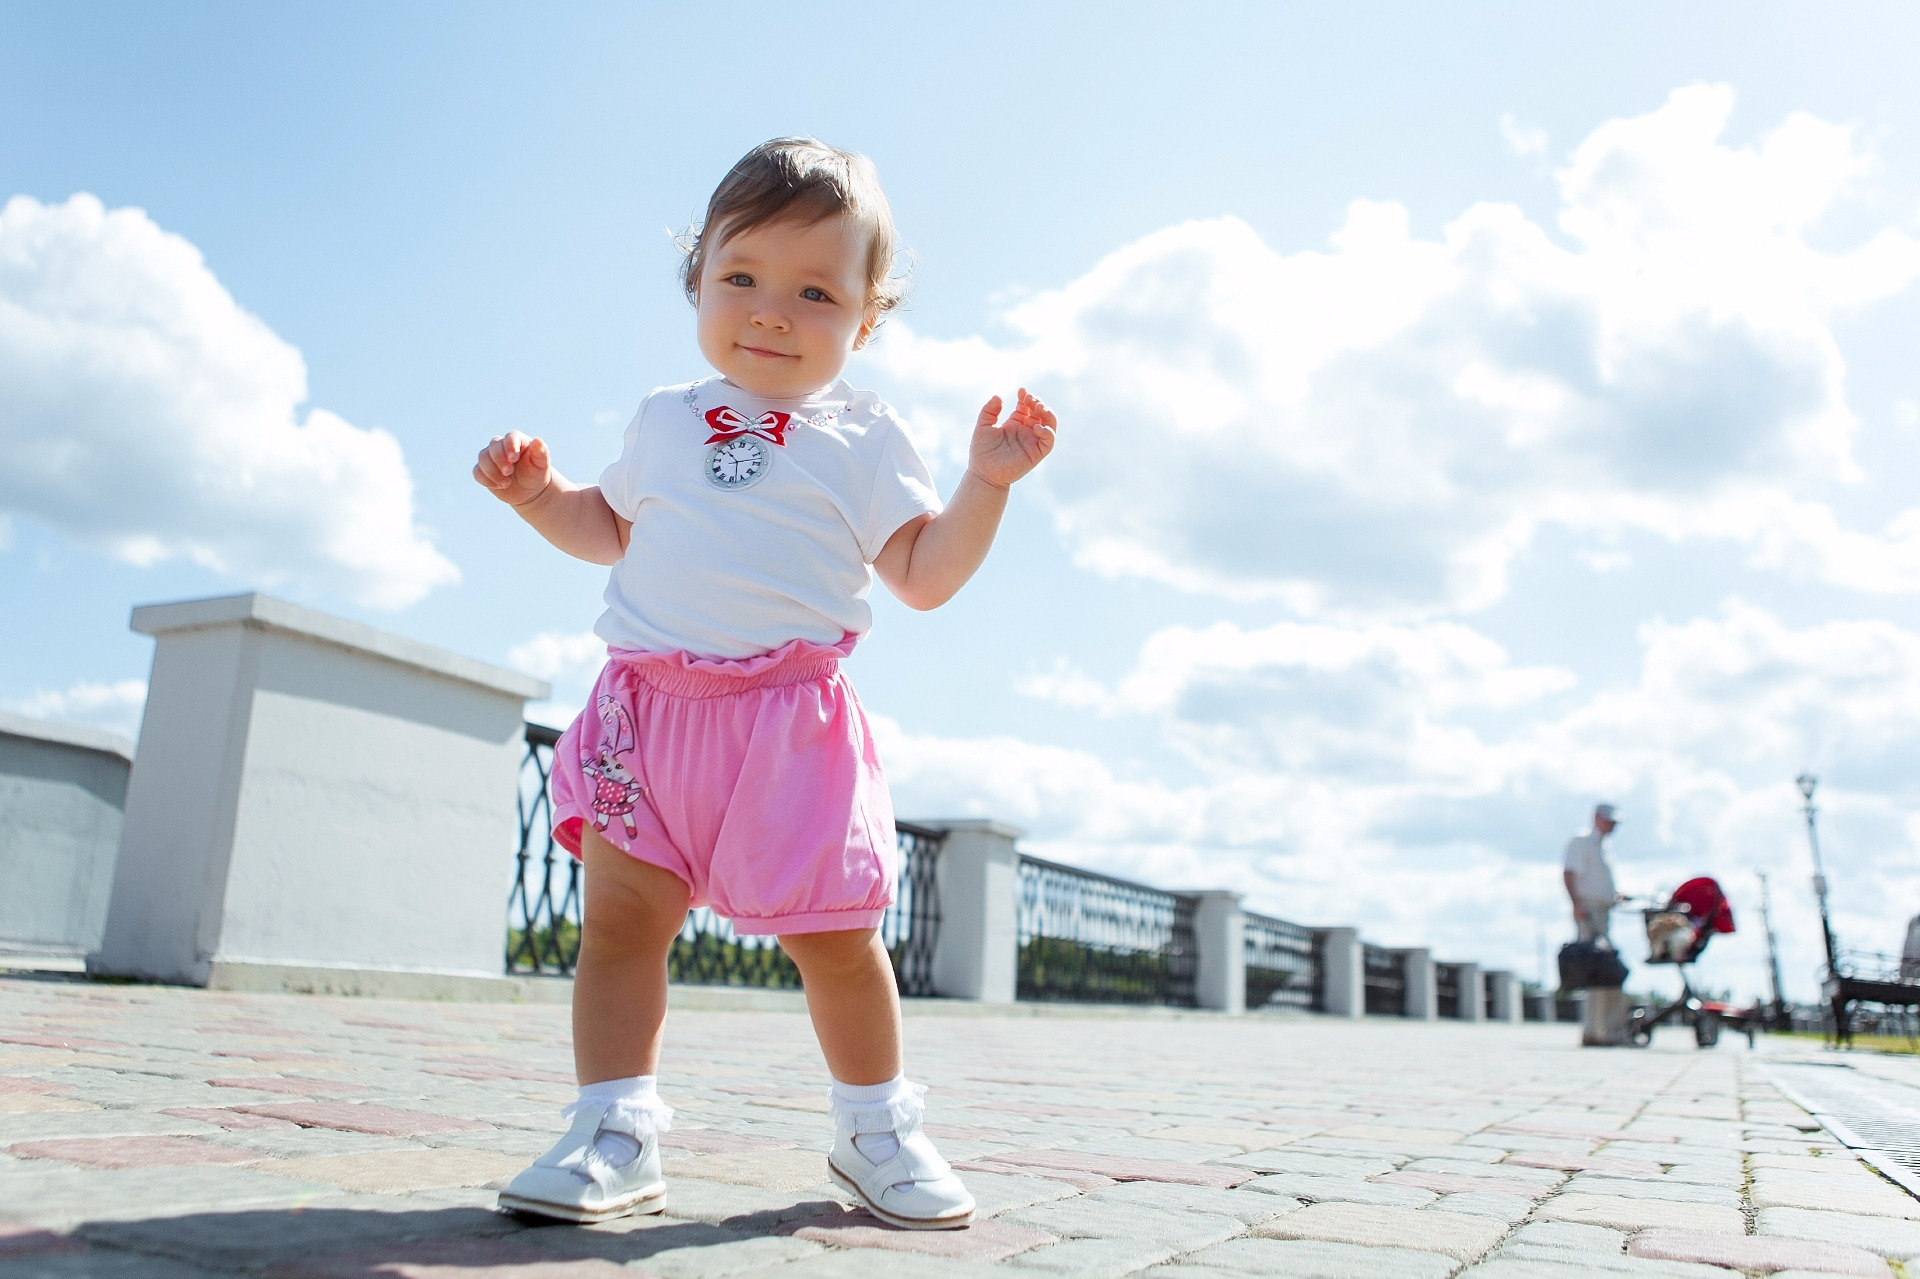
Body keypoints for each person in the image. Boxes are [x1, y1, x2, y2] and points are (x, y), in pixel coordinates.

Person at [472, 138, 1058, 1229]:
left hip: (788, 726)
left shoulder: (866, 435)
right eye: (741, 277)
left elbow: (923, 575)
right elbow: (607, 529)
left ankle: (876, 1125)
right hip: (644, 717)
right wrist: (539, 496)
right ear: (697, 277)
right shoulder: (662, 418)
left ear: (867, 320)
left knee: (837, 938)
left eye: (815, 292)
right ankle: (614, 1124)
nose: (771, 312)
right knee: (620, 929)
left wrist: (985, 484)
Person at [1563, 803, 1630, 1045]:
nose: (1613, 826)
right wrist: (1577, 904)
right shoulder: (1581, 841)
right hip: (1589, 912)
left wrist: (1615, 895)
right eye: (1609, 820)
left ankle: (1599, 1031)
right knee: (1602, 970)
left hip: (1603, 911)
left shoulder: (1605, 847)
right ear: (1597, 818)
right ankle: (1606, 1032)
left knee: (1601, 971)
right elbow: (1569, 874)